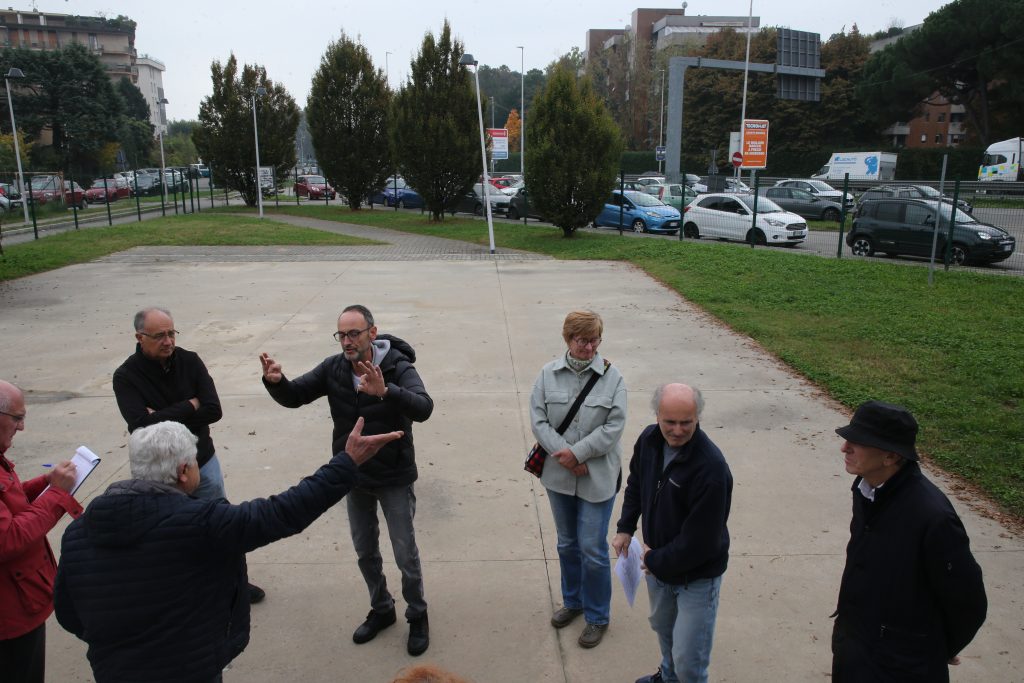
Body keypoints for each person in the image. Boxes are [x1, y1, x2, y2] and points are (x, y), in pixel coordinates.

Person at [54, 418, 401, 683]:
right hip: (190, 670)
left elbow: (68, 613)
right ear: (183, 471)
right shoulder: (200, 523)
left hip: (113, 671)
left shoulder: (77, 532)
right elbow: (282, 513)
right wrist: (347, 463)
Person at [259, 304, 435, 655]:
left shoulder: (398, 366)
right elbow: (296, 396)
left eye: (354, 333)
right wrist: (275, 382)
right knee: (364, 550)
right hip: (353, 475)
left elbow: (424, 407)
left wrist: (386, 392)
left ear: (372, 332)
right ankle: (382, 609)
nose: (347, 341)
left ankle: (417, 614)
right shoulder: (333, 368)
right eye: (341, 334)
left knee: (404, 553)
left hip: (393, 476)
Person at [112, 307, 265, 604]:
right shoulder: (126, 376)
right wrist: (190, 406)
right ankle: (183, 586)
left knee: (220, 524)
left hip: (201, 462)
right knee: (165, 534)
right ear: (139, 337)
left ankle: (234, 583)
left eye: (171, 333)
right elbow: (139, 425)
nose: (168, 341)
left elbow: (214, 409)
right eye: (159, 336)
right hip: (157, 475)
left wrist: (163, 415)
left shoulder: (190, 361)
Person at [831, 400, 987, 682]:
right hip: (855, 652)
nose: (845, 448)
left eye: (858, 442)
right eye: (847, 440)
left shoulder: (932, 517)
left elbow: (968, 603)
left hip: (900, 668)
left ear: (891, 457)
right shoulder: (868, 490)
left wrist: (933, 647)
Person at [613, 384, 732, 683]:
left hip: (697, 578)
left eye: (686, 422)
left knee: (689, 659)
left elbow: (700, 543)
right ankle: (667, 677)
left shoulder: (712, 469)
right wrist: (626, 526)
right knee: (665, 632)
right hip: (658, 566)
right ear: (657, 415)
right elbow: (637, 483)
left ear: (697, 418)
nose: (677, 430)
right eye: (670, 422)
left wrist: (653, 560)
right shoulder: (649, 440)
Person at [530, 310, 626, 649]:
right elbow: (538, 420)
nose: (588, 347)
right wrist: (565, 455)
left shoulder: (613, 378)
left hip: (597, 478)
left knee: (592, 548)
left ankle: (597, 616)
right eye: (581, 340)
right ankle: (573, 601)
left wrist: (579, 454)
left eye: (593, 340)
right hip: (558, 475)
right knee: (567, 543)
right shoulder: (547, 374)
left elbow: (614, 427)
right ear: (568, 340)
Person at [0, 380, 82, 683]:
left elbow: (9, 500)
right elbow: (7, 538)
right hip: (11, 616)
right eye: (17, 418)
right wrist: (55, 495)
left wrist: (44, 484)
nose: (21, 428)